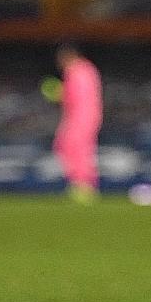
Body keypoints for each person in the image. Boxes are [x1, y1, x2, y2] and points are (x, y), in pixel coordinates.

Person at [51, 44, 102, 203]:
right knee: (69, 146)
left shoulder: (76, 71)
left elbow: (74, 97)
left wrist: (58, 93)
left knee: (75, 148)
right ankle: (81, 184)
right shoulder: (87, 69)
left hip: (81, 115)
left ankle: (83, 186)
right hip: (86, 115)